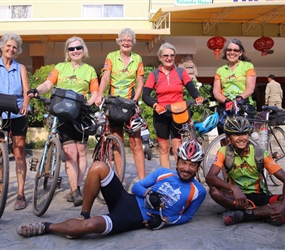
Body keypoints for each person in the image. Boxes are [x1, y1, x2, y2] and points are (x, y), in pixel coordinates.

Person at [16, 140, 206, 238]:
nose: (187, 168)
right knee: (98, 166)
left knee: (88, 229)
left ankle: (46, 228)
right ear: (178, 160)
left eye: (192, 165)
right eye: (184, 163)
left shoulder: (198, 191)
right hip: (128, 200)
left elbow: (186, 217)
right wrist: (149, 194)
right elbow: (138, 186)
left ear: (198, 167)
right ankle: (84, 213)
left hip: (134, 218)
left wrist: (165, 221)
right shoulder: (164, 172)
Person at [27, 36, 99, 207]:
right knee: (70, 153)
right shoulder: (60, 67)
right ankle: (75, 190)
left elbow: (95, 91)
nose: (75, 51)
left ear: (83, 49)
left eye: (78, 48)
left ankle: (78, 188)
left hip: (80, 114)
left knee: (81, 152)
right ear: (67, 52)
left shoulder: (89, 70)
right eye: (71, 49)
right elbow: (47, 84)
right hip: (63, 113)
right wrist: (36, 90)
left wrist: (89, 103)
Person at [205, 116, 285, 226]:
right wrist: (233, 188)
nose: (241, 138)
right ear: (228, 138)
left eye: (244, 134)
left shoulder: (259, 153)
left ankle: (245, 215)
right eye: (236, 135)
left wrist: (283, 207)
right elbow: (210, 177)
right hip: (236, 198)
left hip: (259, 195)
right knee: (214, 191)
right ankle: (264, 213)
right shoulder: (224, 151)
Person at [142, 42, 203, 169]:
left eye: (171, 55)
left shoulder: (181, 72)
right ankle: (166, 176)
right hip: (161, 113)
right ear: (160, 57)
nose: (169, 58)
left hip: (178, 113)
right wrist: (155, 105)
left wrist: (197, 97)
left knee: (177, 146)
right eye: (165, 56)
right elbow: (145, 96)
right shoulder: (154, 74)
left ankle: (180, 176)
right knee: (164, 148)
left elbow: (191, 88)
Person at [95, 28, 145, 180]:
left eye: (129, 40)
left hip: (130, 103)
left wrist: (135, 100)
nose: (126, 42)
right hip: (114, 103)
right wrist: (99, 94)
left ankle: (143, 180)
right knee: (118, 143)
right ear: (119, 42)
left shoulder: (137, 59)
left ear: (133, 43)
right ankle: (120, 180)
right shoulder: (111, 56)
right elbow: (105, 77)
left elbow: (140, 82)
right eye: (123, 40)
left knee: (136, 143)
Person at [0, 32, 30, 210]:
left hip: (17, 113)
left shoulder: (21, 68)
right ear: (2, 46)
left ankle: (20, 194)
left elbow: (26, 90)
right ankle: (2, 190)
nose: (11, 49)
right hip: (0, 113)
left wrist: (25, 105)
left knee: (19, 153)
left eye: (14, 47)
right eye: (8, 46)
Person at [213, 38, 256, 135]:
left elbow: (250, 88)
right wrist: (226, 101)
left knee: (244, 138)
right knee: (225, 140)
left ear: (241, 53)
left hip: (243, 105)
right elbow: (216, 92)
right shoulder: (220, 70)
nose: (232, 52)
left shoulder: (247, 66)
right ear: (225, 52)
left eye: (235, 50)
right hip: (225, 107)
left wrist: (238, 99)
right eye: (229, 50)